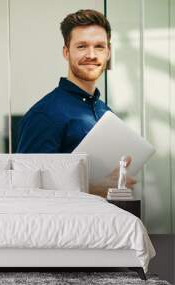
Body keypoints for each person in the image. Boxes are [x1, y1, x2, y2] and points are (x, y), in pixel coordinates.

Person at [16, 9, 136, 196]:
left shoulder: (105, 111)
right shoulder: (45, 114)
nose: (91, 55)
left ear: (108, 52)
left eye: (99, 47)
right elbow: (25, 188)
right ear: (66, 52)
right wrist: (93, 188)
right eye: (81, 46)